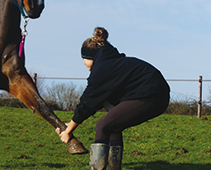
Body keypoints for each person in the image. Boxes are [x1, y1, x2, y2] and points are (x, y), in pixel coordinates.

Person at [56, 27, 170, 170]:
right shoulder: (112, 63)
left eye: (83, 59)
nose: (84, 63)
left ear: (90, 57)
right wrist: (70, 125)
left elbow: (87, 103)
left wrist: (68, 131)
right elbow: (96, 102)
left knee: (102, 126)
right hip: (156, 95)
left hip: (149, 96)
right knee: (113, 126)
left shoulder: (103, 69)